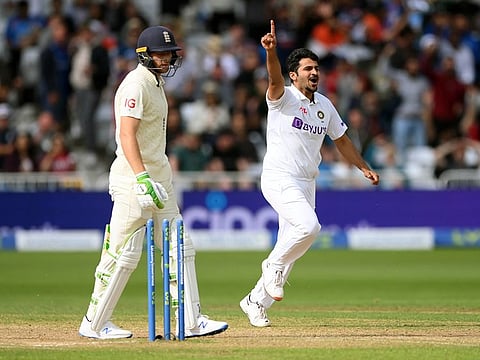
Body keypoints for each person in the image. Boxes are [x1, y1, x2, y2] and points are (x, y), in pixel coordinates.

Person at [79, 25, 228, 339]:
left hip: (159, 178)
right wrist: (142, 177)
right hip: (135, 180)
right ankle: (94, 323)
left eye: (169, 54)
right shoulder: (135, 84)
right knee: (122, 252)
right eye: (161, 54)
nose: (167, 59)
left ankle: (190, 320)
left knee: (179, 246)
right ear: (144, 55)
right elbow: (126, 134)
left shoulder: (156, 83)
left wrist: (154, 176)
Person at [240, 20, 380, 328]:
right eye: (307, 68)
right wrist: (271, 51)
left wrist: (363, 166)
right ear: (294, 75)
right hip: (279, 176)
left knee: (293, 243)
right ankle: (271, 264)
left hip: (306, 181)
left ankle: (254, 301)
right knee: (308, 227)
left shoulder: (325, 106)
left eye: (316, 68)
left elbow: (341, 139)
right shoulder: (283, 97)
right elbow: (274, 77)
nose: (314, 72)